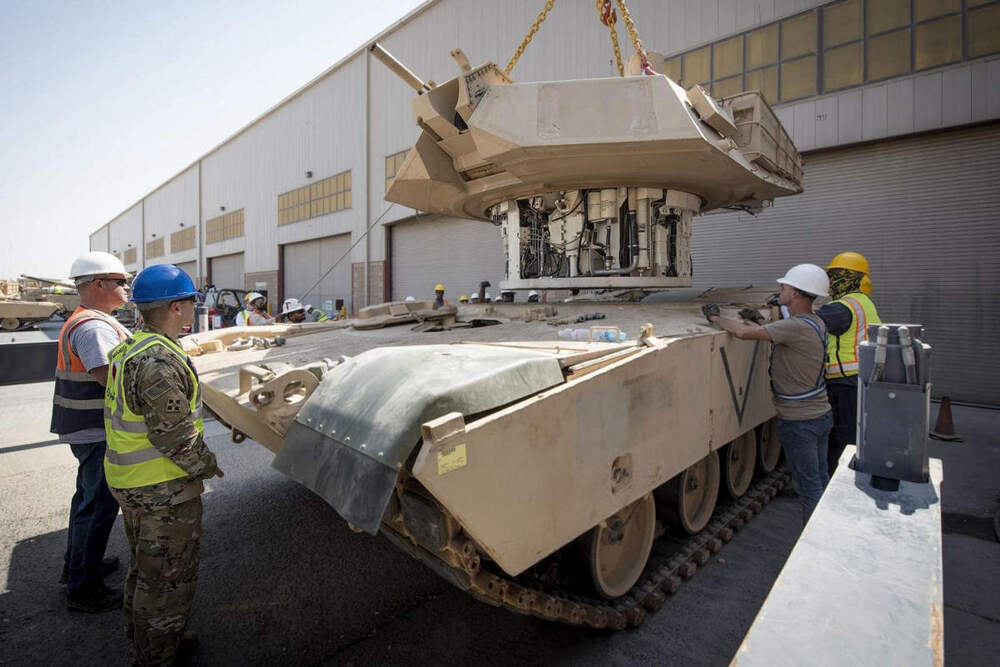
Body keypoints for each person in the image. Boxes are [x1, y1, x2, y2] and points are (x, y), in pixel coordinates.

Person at [104, 264, 223, 666]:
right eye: (190, 301)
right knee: (167, 580)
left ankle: (153, 641)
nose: (193, 307)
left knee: (146, 571)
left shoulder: (132, 347)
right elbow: (173, 436)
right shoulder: (157, 361)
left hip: (135, 482)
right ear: (175, 307)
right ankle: (155, 655)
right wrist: (208, 466)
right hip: (161, 490)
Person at [703, 263, 833, 523]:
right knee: (820, 478)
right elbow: (780, 333)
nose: (779, 290)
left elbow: (742, 333)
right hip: (819, 415)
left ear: (795, 293)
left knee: (808, 488)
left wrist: (716, 318)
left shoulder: (795, 327)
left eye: (784, 287)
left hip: (800, 422)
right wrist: (759, 320)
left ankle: (818, 539)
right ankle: (827, 526)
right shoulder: (815, 322)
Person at [52, 251, 132, 612]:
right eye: (121, 281)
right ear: (99, 284)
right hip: (95, 430)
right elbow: (109, 378)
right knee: (99, 505)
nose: (126, 287)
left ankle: (79, 566)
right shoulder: (93, 327)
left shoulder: (91, 319)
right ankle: (84, 587)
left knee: (86, 501)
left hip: (86, 428)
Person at [816, 252, 880, 474]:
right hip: (860, 379)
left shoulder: (843, 307)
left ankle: (836, 480)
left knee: (840, 438)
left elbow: (805, 324)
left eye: (835, 275)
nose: (830, 281)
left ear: (849, 278)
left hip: (844, 384)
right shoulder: (864, 303)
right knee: (853, 433)